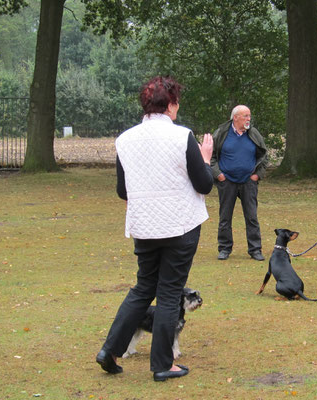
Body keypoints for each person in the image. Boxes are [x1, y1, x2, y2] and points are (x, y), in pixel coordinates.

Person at [96, 76, 214, 382]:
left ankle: (110, 350)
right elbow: (204, 183)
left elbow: (124, 190)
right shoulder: (181, 136)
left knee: (143, 288)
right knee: (169, 290)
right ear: (171, 105)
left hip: (145, 226)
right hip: (180, 225)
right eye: (177, 103)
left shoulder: (124, 139)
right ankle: (163, 364)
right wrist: (204, 159)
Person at [210, 105, 268, 261]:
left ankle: (255, 250)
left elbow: (264, 156)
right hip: (227, 181)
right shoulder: (221, 133)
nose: (248, 119)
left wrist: (257, 175)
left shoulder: (253, 134)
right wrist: (219, 175)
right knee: (225, 218)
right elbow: (211, 156)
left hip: (248, 182)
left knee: (252, 217)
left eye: (249, 116)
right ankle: (224, 249)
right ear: (235, 117)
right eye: (245, 116)